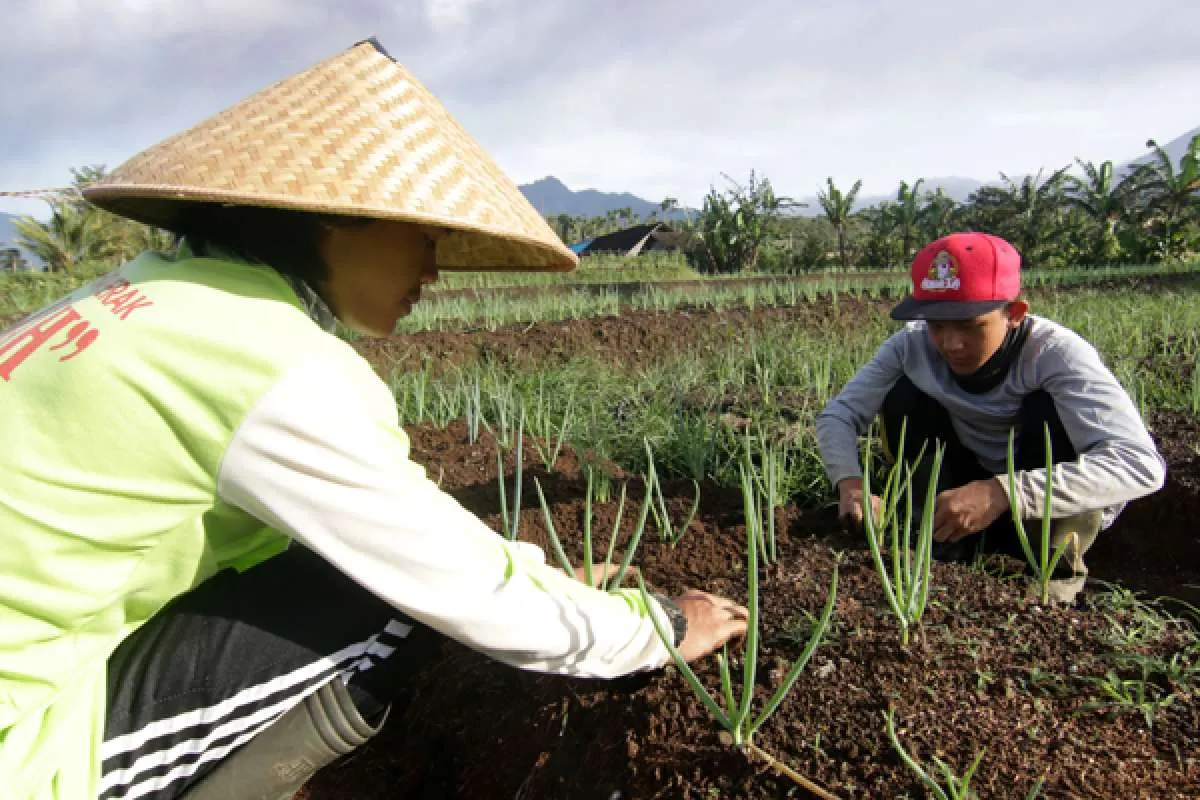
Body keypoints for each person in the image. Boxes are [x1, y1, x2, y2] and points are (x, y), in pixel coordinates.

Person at [0, 39, 748, 800]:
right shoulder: (271, 361)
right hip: (19, 739)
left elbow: (405, 534)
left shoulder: (142, 296)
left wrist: (549, 576)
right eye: (423, 235)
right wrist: (657, 627)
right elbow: (461, 591)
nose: (432, 269)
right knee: (391, 602)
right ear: (340, 218)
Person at [816, 231, 1166, 602]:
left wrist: (1003, 492)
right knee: (904, 396)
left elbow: (1141, 464)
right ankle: (938, 537)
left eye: (970, 326)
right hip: (963, 486)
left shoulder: (1056, 354)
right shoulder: (911, 345)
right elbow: (839, 415)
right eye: (937, 325)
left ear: (1014, 314)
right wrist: (850, 484)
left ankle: (1053, 570)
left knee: (1046, 409)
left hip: (1039, 499)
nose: (951, 344)